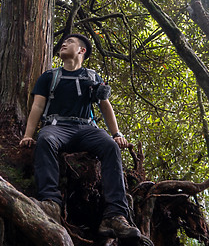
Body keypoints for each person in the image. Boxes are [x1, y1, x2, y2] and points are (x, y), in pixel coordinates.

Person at [19, 34, 142, 239]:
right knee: (46, 140)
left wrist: (117, 134)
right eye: (63, 42)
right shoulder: (49, 77)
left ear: (81, 50)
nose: (64, 44)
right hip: (56, 126)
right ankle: (50, 203)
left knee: (110, 146)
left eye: (70, 42)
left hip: (86, 129)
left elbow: (105, 106)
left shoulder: (93, 78)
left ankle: (115, 215)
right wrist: (28, 135)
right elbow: (38, 106)